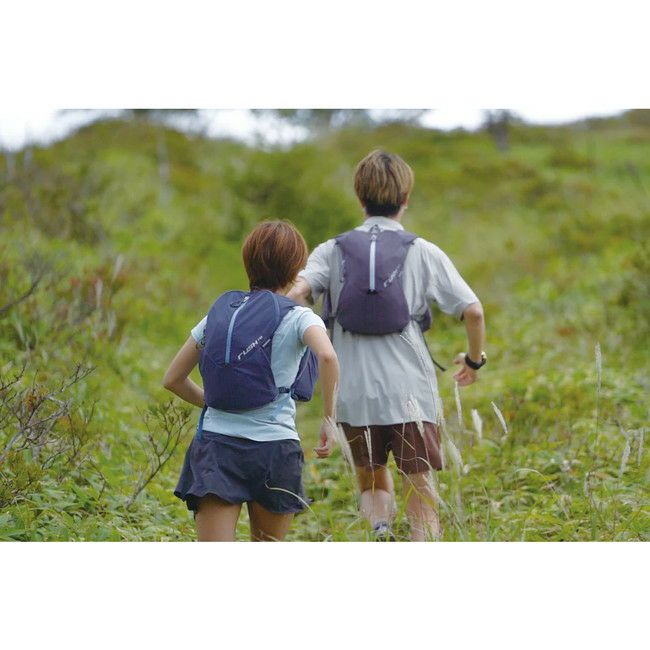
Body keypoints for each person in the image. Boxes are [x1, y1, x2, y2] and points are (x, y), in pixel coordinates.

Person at [289, 150, 486, 541]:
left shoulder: (332, 249)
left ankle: (380, 528)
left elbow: (295, 294)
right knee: (420, 492)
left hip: (353, 392)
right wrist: (474, 360)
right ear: (406, 198)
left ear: (359, 197)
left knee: (371, 478)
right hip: (411, 392)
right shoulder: (423, 250)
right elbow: (474, 311)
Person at [163, 220, 339, 541]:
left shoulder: (221, 315)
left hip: (217, 447)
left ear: (248, 262)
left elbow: (173, 379)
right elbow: (327, 356)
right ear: (295, 270)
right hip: (275, 450)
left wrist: (217, 401)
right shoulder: (299, 317)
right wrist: (329, 419)